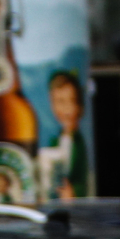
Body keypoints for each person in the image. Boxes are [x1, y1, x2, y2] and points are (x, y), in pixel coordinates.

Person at [40, 70, 92, 201]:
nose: (67, 109)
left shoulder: (79, 142)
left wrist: (73, 193)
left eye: (72, 101)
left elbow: (84, 178)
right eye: (60, 102)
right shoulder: (55, 140)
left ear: (80, 105)